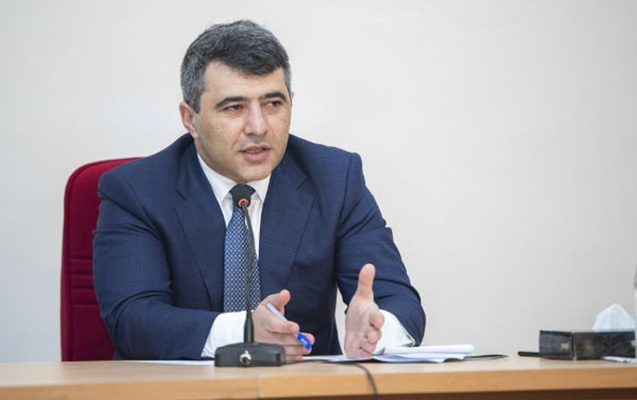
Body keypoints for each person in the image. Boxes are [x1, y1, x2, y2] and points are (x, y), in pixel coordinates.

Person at [93, 20, 425, 361]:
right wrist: (245, 332)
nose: (258, 126)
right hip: (181, 387)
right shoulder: (137, 191)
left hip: (303, 386)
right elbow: (133, 320)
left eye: (273, 104)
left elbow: (398, 300)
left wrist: (379, 330)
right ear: (190, 118)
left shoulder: (335, 179)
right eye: (234, 108)